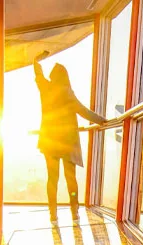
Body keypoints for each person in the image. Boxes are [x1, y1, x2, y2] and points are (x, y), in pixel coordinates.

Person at [34, 50, 105, 223]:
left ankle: (53, 214)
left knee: (52, 179)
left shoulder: (46, 88)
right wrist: (103, 120)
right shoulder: (66, 92)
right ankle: (74, 211)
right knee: (70, 179)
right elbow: (84, 112)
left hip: (50, 142)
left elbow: (38, 73)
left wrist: (37, 60)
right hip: (66, 143)